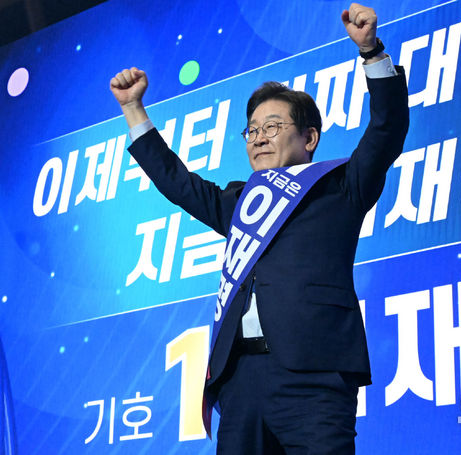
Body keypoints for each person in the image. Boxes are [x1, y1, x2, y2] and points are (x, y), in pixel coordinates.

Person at [110, 3, 408, 454]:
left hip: (313, 374)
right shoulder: (242, 203)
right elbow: (177, 183)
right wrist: (134, 109)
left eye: (273, 126)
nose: (261, 137)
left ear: (309, 138)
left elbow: (387, 128)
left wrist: (371, 52)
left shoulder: (341, 187)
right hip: (240, 380)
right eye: (252, 131)